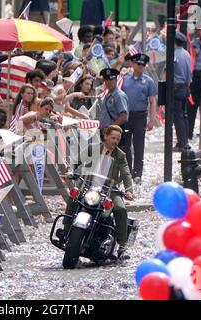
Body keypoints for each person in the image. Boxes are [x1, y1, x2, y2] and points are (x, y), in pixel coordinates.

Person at [59, 125, 134, 260]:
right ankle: (66, 228)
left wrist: (129, 190)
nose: (115, 141)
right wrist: (71, 171)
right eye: (113, 138)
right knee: (74, 194)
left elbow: (126, 173)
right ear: (105, 136)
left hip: (109, 190)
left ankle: (122, 246)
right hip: (88, 185)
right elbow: (76, 161)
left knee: (120, 208)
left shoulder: (120, 155)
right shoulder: (93, 148)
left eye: (118, 139)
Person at [121, 53, 157, 184]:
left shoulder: (148, 81)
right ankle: (128, 171)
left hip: (140, 116)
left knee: (139, 145)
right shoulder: (124, 79)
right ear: (133, 64)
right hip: (126, 116)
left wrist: (152, 120)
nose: (140, 66)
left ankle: (137, 173)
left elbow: (152, 101)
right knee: (125, 145)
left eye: (143, 65)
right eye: (138, 64)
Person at [172, 31, 192, 152]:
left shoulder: (174, 55)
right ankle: (185, 141)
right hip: (185, 87)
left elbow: (169, 71)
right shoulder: (186, 54)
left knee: (178, 117)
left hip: (176, 88)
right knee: (184, 116)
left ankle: (182, 143)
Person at [98, 68, 129, 133]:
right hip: (107, 132)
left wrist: (110, 128)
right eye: (106, 80)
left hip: (115, 132)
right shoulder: (109, 94)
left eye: (111, 80)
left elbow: (123, 117)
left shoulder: (119, 95)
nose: (108, 82)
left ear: (116, 79)